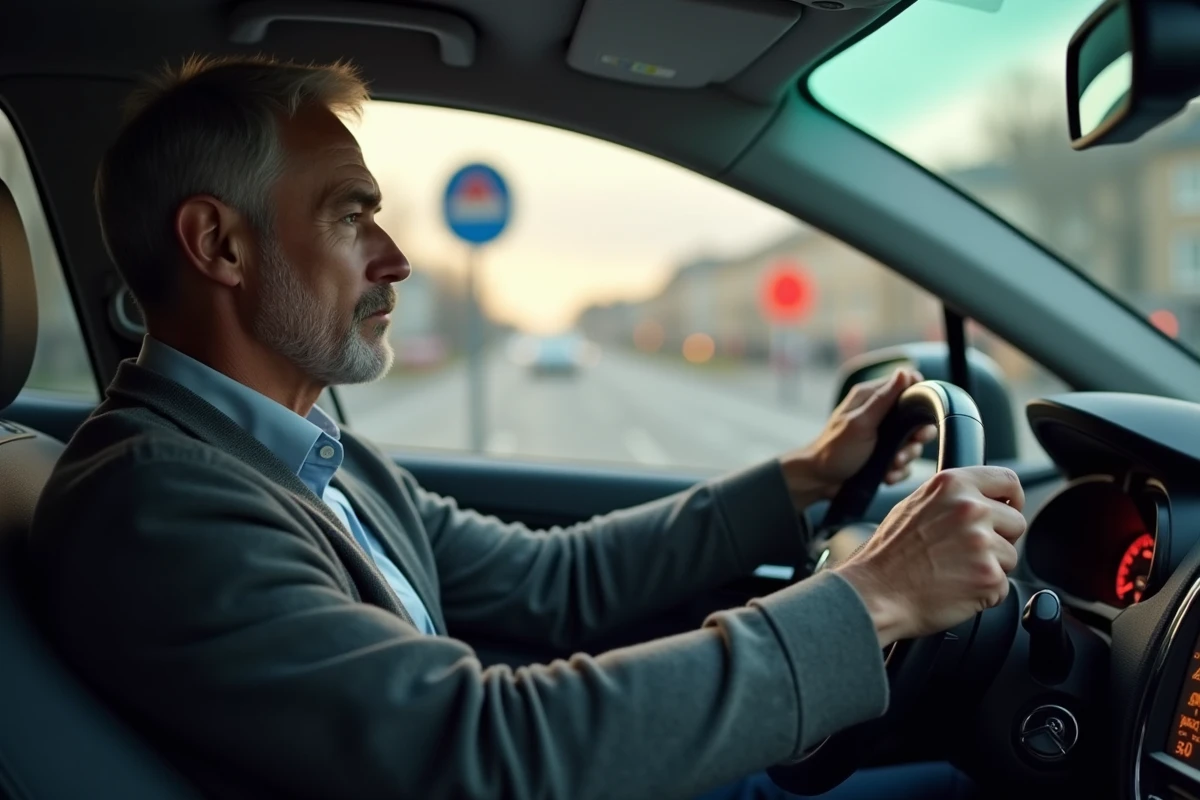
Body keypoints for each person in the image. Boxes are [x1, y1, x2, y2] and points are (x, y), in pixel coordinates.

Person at [27, 56, 1025, 800]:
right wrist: (875, 595)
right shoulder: (156, 502)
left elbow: (553, 579)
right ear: (220, 244)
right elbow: (482, 746)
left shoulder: (304, 453)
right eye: (349, 215)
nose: (396, 257)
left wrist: (805, 477)